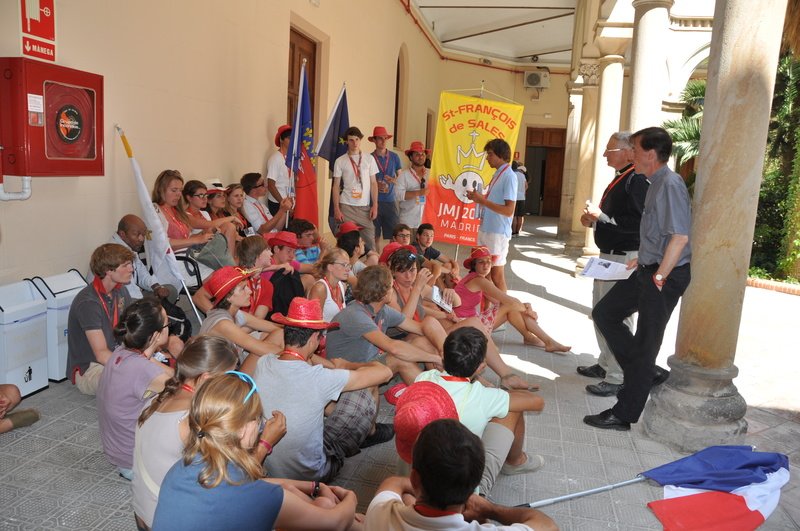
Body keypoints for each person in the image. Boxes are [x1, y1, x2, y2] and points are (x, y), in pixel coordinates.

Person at [151, 371, 361, 531]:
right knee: (327, 507)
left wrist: (313, 486)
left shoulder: (180, 468)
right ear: (243, 428)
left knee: (303, 496)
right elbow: (335, 522)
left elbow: (248, 484)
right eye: (258, 420)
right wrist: (350, 497)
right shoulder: (255, 496)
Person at [585, 127, 692, 431]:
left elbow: (680, 237)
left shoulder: (669, 184)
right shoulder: (653, 181)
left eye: (634, 148)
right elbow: (656, 229)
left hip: (665, 274)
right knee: (606, 312)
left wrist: (659, 272)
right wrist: (642, 257)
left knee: (646, 342)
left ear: (649, 153)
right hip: (648, 266)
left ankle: (624, 414)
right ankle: (647, 372)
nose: (630, 153)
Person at [249, 298, 394, 482]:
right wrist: (347, 364)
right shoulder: (319, 378)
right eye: (321, 336)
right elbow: (384, 373)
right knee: (367, 387)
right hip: (312, 474)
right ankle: (370, 432)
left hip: (269, 466)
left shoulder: (264, 363)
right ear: (313, 339)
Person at [133, 336, 270, 530]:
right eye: (230, 375)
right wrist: (265, 443)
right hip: (166, 520)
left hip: (143, 513)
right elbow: (234, 481)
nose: (234, 382)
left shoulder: (157, 399)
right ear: (206, 379)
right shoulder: (194, 420)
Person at [366, 419, 558, 531]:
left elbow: (393, 483)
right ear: (473, 487)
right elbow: (547, 525)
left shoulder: (380, 514)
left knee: (407, 498)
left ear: (415, 478)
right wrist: (490, 510)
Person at [416, 327, 545, 494]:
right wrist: (506, 392)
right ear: (481, 367)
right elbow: (537, 403)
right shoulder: (483, 396)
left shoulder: (423, 378)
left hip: (421, 475)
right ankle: (515, 461)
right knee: (513, 408)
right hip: (463, 488)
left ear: (443, 356)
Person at [387, 248, 531, 391]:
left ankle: (507, 376)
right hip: (408, 343)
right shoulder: (392, 292)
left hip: (426, 335)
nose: (408, 276)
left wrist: (450, 292)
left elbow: (456, 303)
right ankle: (471, 377)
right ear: (393, 272)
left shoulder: (418, 287)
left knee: (474, 322)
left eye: (412, 270)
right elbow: (402, 323)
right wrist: (418, 289)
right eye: (402, 271)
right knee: (431, 325)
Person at [578, 132, 649, 398]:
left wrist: (603, 217)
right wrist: (595, 220)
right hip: (609, 255)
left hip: (624, 256)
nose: (606, 155)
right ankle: (606, 363)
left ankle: (618, 374)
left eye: (610, 151)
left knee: (615, 314)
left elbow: (641, 223)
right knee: (600, 309)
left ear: (629, 151)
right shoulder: (622, 177)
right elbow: (620, 216)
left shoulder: (636, 179)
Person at [96, 298, 174, 480]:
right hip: (136, 463)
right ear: (155, 335)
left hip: (120, 455)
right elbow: (189, 393)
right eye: (167, 323)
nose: (170, 327)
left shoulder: (123, 351)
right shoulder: (144, 370)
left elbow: (170, 373)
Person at [326, 265, 444, 384]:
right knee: (398, 358)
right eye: (391, 287)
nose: (393, 290)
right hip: (348, 373)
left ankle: (448, 380)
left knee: (423, 338)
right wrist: (434, 358)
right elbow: (394, 348)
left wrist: (442, 351)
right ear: (384, 295)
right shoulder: (355, 315)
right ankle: (435, 394)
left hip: (370, 364)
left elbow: (420, 328)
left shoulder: (381, 309)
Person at [455, 247, 570, 353]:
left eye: (488, 261)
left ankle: (535, 339)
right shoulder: (479, 281)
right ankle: (541, 340)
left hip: (469, 321)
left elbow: (498, 301)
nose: (486, 265)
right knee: (511, 307)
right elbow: (510, 302)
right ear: (474, 265)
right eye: (481, 262)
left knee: (512, 309)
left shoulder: (477, 279)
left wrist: (525, 305)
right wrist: (528, 310)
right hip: (465, 325)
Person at [67, 243, 135, 394]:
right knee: (132, 379)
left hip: (116, 356)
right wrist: (133, 366)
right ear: (108, 270)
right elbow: (101, 353)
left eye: (130, 264)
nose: (131, 269)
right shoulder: (89, 303)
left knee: (164, 357)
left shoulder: (121, 291)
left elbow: (131, 330)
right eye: (125, 265)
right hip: (93, 368)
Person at [198, 266, 283, 363]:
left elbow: (273, 327)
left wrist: (296, 327)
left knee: (280, 334)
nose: (250, 291)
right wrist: (297, 354)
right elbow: (261, 348)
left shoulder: (234, 313)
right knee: (278, 350)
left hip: (230, 365)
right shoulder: (223, 324)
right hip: (220, 376)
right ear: (229, 297)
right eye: (243, 288)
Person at [466, 139, 517, 292]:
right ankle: (487, 310)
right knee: (484, 275)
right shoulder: (497, 174)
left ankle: (506, 308)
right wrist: (479, 199)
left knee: (496, 276)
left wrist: (482, 200)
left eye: (490, 154)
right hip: (487, 228)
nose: (487, 157)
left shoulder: (509, 176)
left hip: (497, 232)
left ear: (501, 155)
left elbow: (509, 210)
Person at [332, 126, 379, 252]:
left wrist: (375, 205)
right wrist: (336, 208)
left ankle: (371, 268)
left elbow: (374, 183)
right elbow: (336, 186)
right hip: (347, 206)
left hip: (365, 207)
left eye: (357, 139)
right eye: (351, 140)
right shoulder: (340, 161)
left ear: (360, 140)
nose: (355, 143)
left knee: (369, 240)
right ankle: (347, 268)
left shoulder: (369, 159)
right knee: (347, 242)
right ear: (346, 141)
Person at [112, 214, 177, 302]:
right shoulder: (114, 253)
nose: (141, 239)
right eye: (136, 234)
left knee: (170, 290)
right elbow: (131, 292)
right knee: (154, 306)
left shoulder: (128, 247)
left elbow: (142, 274)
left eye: (143, 234)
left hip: (132, 296)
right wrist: (146, 307)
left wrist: (156, 287)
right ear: (122, 234)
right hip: (119, 302)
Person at [151, 170, 215, 252]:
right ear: (160, 190)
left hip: (188, 256)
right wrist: (197, 239)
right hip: (172, 261)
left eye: (180, 190)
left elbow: (185, 239)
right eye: (174, 190)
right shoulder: (155, 211)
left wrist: (203, 234)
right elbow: (161, 243)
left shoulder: (178, 211)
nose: (179, 194)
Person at [182, 179, 241, 259]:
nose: (205, 198)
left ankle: (231, 262)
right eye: (200, 195)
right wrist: (232, 217)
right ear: (189, 198)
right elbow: (209, 225)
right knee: (229, 226)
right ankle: (231, 265)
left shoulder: (204, 213)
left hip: (209, 246)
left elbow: (212, 229)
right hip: (196, 250)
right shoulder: (185, 215)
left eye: (206, 195)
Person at [369, 126, 402, 249]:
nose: (383, 141)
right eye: (380, 139)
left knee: (394, 235)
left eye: (385, 138)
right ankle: (377, 261)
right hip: (374, 201)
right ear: (374, 140)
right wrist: (374, 184)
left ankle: (390, 259)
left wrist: (393, 180)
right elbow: (365, 180)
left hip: (390, 201)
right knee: (375, 235)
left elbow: (401, 178)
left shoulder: (394, 157)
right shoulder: (369, 158)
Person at [395, 141, 430, 231]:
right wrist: (419, 193)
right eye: (417, 155)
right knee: (406, 245)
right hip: (408, 222)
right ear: (411, 157)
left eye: (422, 154)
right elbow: (398, 195)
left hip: (425, 223)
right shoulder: (404, 175)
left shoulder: (431, 174)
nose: (421, 157)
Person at [308, 248, 350, 322]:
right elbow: (313, 322)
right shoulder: (320, 288)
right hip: (324, 333)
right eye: (344, 265)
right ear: (330, 267)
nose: (348, 269)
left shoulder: (342, 286)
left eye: (348, 265)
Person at [266, 124, 293, 215]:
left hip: (290, 201)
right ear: (281, 140)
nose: (292, 141)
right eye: (289, 138)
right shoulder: (275, 158)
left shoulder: (291, 158)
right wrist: (283, 202)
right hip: (278, 202)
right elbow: (271, 185)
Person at [511, 162, 528, 237]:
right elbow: (526, 186)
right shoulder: (523, 176)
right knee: (520, 216)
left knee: (514, 215)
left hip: (514, 197)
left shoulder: (513, 174)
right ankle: (518, 232)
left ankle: (513, 232)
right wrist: (523, 191)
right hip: (522, 198)